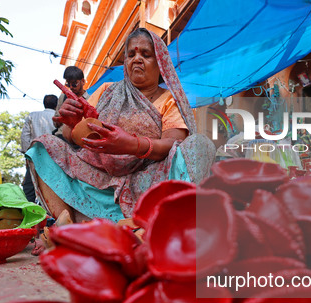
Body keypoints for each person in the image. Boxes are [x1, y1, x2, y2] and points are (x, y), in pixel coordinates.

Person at [25, 28, 215, 223]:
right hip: (97, 180)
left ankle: (163, 225)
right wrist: (72, 126)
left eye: (146, 54)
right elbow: (81, 137)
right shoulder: (108, 91)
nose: (137, 59)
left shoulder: (168, 100)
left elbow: (174, 143)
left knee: (201, 145)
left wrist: (132, 145)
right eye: (131, 54)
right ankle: (67, 226)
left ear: (160, 63)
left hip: (147, 182)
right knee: (43, 147)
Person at [21, 94, 58, 202]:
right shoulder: (57, 118)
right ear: (56, 105)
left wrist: (27, 155)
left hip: (35, 155)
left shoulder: (32, 116)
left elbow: (24, 138)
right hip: (53, 157)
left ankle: (30, 211)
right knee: (52, 186)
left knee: (29, 187)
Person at [53, 66, 89, 134]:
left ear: (83, 81)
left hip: (79, 138)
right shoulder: (63, 97)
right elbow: (55, 124)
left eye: (74, 84)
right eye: (68, 84)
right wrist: (62, 116)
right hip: (61, 136)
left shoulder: (90, 99)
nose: (71, 87)